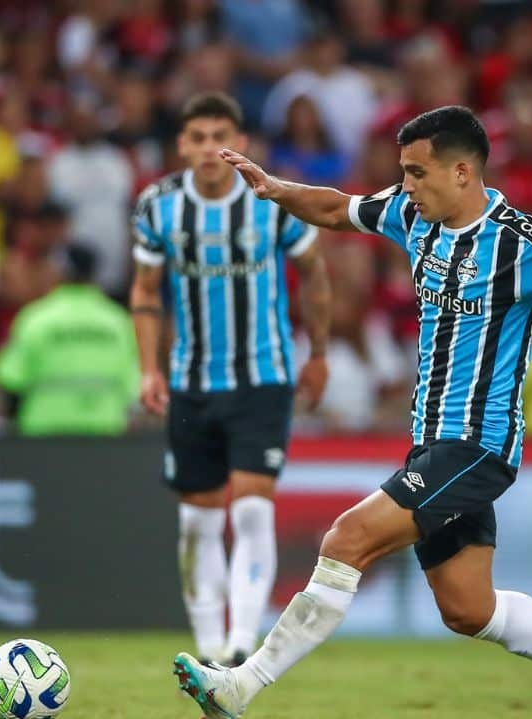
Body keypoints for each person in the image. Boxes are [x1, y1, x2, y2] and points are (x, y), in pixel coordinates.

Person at [172, 105, 532, 719]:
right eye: (403, 172)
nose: (405, 186)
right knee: (468, 608)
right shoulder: (410, 215)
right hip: (432, 445)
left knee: (347, 539)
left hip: (478, 442)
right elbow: (337, 208)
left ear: (461, 172)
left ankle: (241, 686)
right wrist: (275, 189)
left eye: (416, 173)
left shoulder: (520, 240)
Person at [130, 91, 331, 667]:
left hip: (264, 377)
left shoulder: (270, 199)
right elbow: (145, 291)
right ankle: (208, 649)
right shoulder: (159, 206)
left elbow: (315, 275)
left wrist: (317, 353)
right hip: (191, 381)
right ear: (182, 146)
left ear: (240, 144)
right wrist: (148, 368)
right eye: (196, 137)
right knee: (198, 522)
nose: (209, 149)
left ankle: (242, 642)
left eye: (220, 135)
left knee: (249, 510)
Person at [0, 243, 140, 436]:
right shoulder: (118, 322)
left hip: (45, 430)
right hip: (104, 429)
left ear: (58, 272)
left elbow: (9, 376)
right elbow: (133, 384)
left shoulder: (36, 318)